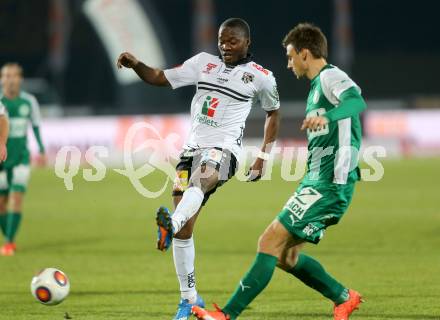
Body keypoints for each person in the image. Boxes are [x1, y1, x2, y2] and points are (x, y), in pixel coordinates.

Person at [192, 22, 367, 320]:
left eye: (290, 56)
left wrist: (328, 116)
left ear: (305, 53)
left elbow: (356, 101)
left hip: (330, 185)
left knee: (268, 242)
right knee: (286, 256)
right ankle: (343, 296)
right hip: (315, 182)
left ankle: (227, 315)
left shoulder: (330, 77)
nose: (288, 63)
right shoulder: (316, 88)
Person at [117, 18, 280, 320]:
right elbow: (158, 77)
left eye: (232, 41)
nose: (225, 46)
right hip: (189, 152)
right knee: (186, 230)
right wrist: (136, 63)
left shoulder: (261, 77)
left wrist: (263, 156)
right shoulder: (202, 63)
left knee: (201, 181)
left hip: (225, 151)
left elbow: (273, 113)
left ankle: (171, 224)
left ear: (247, 42)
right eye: (221, 40)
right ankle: (189, 299)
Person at [0, 63, 46, 256]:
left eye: (14, 75)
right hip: (2, 160)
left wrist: (41, 149)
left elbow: (35, 125)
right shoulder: (1, 101)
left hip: (21, 157)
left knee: (16, 198)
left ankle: (10, 242)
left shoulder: (29, 101)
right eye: (6, 75)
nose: (10, 79)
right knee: (2, 202)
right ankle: (8, 235)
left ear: (20, 79)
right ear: (2, 79)